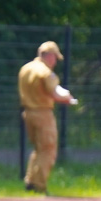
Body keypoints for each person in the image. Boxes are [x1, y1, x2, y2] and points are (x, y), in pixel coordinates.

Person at [17, 41, 77, 193]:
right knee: (48, 149)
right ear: (49, 56)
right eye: (55, 57)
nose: (55, 61)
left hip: (27, 113)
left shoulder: (26, 68)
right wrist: (68, 98)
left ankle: (30, 181)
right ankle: (40, 185)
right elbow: (54, 93)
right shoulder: (45, 72)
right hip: (43, 113)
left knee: (38, 148)